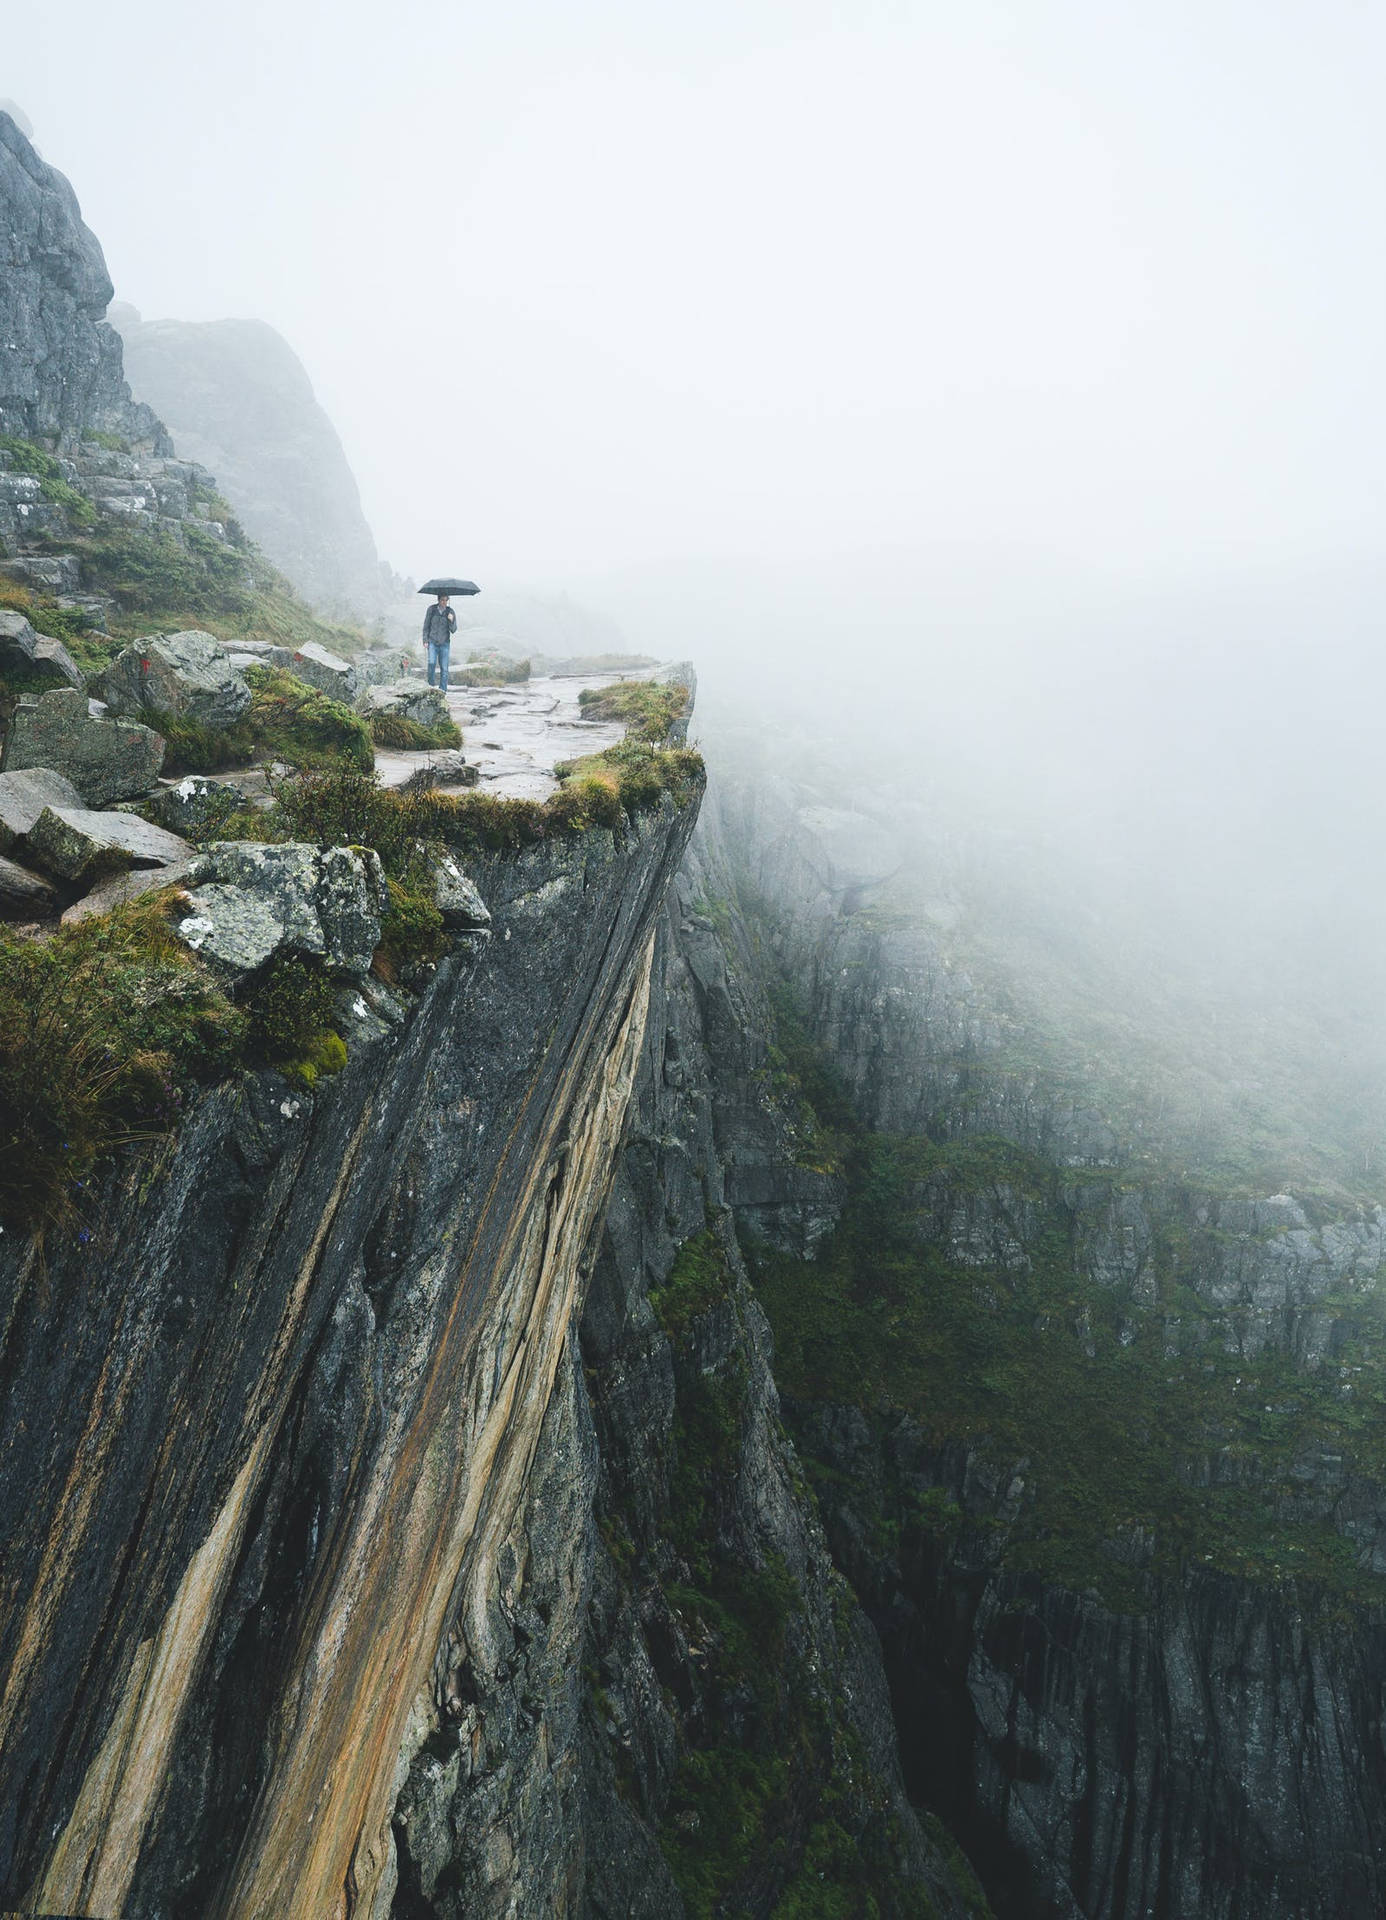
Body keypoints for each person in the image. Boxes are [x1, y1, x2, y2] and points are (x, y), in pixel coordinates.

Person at [423, 592, 457, 690]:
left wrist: (451, 620)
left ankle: (443, 691)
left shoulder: (450, 612)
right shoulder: (431, 609)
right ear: (438, 600)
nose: (444, 602)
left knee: (444, 669)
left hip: (445, 644)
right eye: (442, 600)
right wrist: (425, 640)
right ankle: (430, 687)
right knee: (431, 663)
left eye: (446, 600)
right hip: (432, 642)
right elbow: (426, 626)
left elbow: (453, 630)